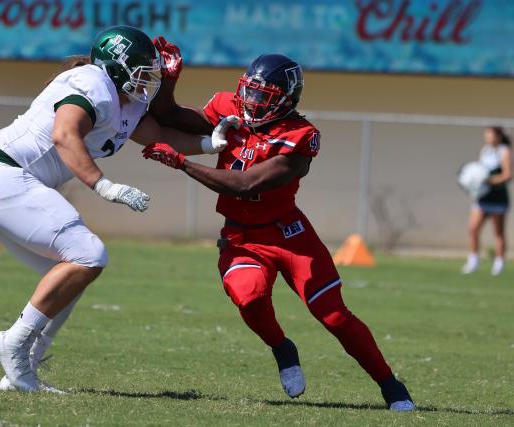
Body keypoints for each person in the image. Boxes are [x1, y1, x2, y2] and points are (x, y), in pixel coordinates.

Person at [144, 47, 416, 411]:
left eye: (263, 96)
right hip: (242, 235)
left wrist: (181, 163)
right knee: (249, 297)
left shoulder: (301, 135)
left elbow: (244, 184)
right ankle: (282, 348)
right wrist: (169, 80)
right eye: (250, 91)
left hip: (288, 234)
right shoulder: (230, 107)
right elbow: (169, 115)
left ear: (286, 100)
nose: (251, 101)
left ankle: (390, 385)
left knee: (332, 314)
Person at [0, 26, 230, 393]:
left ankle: (24, 363)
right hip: (3, 177)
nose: (148, 83)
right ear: (116, 67)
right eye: (142, 73)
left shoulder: (126, 100)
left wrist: (209, 143)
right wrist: (104, 185)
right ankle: (13, 342)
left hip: (9, 183)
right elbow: (64, 134)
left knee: (70, 279)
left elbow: (158, 135)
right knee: (90, 254)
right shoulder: (91, 82)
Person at [462, 127, 512, 275]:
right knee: (473, 229)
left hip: (498, 197)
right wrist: (473, 184)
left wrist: (489, 181)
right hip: (483, 197)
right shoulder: (485, 150)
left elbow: (508, 175)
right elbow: (479, 171)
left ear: (499, 136)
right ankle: (473, 261)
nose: (488, 137)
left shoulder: (504, 151)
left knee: (498, 232)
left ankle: (499, 264)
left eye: (490, 134)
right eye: (486, 135)